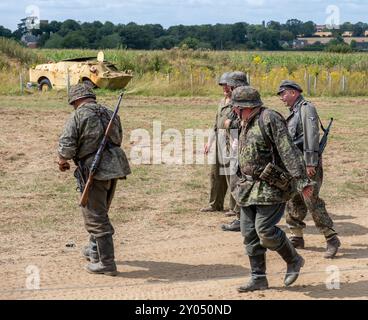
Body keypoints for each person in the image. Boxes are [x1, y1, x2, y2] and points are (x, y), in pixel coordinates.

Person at [232, 85, 313, 292]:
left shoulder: (269, 119)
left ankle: (293, 259)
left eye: (237, 107)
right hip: (247, 188)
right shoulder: (244, 121)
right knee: (249, 234)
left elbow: (288, 150)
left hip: (270, 187)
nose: (234, 110)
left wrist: (302, 181)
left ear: (247, 107)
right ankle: (258, 278)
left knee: (265, 231)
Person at [57, 84, 131, 276]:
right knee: (100, 210)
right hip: (114, 166)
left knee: (96, 216)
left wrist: (62, 160)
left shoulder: (78, 116)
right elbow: (118, 138)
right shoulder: (109, 112)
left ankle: (106, 263)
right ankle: (94, 250)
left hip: (94, 169)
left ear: (74, 101)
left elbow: (67, 145)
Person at [278, 80, 341, 259]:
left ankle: (331, 238)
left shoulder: (306, 108)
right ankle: (297, 236)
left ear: (293, 93)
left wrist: (311, 162)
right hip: (295, 164)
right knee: (293, 199)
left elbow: (311, 135)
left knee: (310, 199)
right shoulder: (295, 111)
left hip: (307, 164)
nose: (282, 98)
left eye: (283, 94)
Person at [200, 72, 243, 217]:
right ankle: (215, 204)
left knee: (231, 174)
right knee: (215, 174)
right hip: (219, 139)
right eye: (222, 85)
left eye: (227, 85)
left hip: (231, 140)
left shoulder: (238, 102)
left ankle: (234, 207)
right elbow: (216, 124)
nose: (225, 88)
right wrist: (209, 142)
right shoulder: (222, 101)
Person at [221, 71, 249, 232]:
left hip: (241, 145)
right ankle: (243, 217)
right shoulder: (244, 95)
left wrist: (229, 122)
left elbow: (238, 121)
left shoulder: (241, 97)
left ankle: (241, 219)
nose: (228, 87)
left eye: (231, 84)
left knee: (237, 182)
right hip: (238, 144)